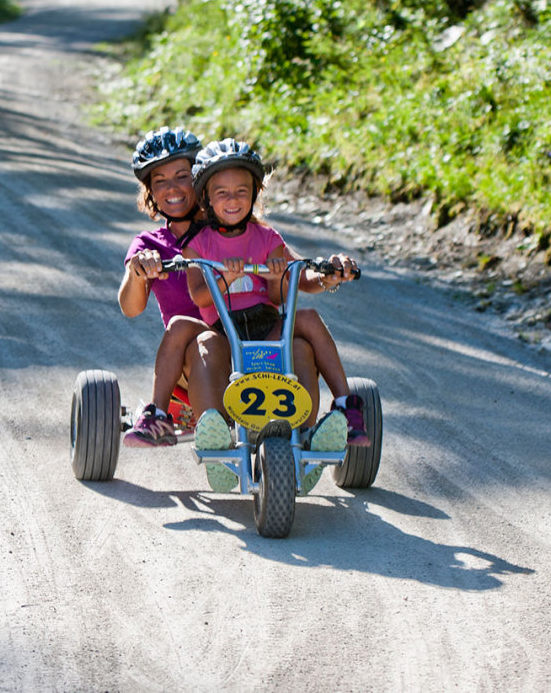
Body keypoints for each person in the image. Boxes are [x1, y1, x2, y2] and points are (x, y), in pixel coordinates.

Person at [183, 139, 368, 491]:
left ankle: (339, 413)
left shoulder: (267, 237)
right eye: (222, 192)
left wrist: (327, 275)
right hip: (225, 332)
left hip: (266, 326)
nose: (233, 199)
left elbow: (297, 279)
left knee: (305, 328)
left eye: (242, 191)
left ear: (255, 193)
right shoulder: (198, 244)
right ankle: (220, 449)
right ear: (206, 198)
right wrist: (228, 277)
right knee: (203, 345)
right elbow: (198, 295)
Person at [118, 127, 216, 448]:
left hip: (244, 348)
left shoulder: (227, 231)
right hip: (191, 361)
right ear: (150, 192)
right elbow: (130, 307)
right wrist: (138, 271)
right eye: (160, 181)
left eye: (182, 176)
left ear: (200, 179)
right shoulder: (149, 244)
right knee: (193, 338)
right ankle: (159, 414)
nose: (171, 188)